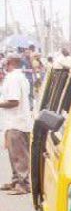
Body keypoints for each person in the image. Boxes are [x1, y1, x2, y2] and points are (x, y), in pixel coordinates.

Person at [0, 55, 33, 195]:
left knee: (19, 156)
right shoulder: (18, 77)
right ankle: (16, 181)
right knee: (14, 155)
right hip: (13, 122)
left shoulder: (14, 78)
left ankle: (23, 184)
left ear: (11, 63)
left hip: (16, 122)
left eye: (5, 62)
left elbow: (14, 101)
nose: (3, 64)